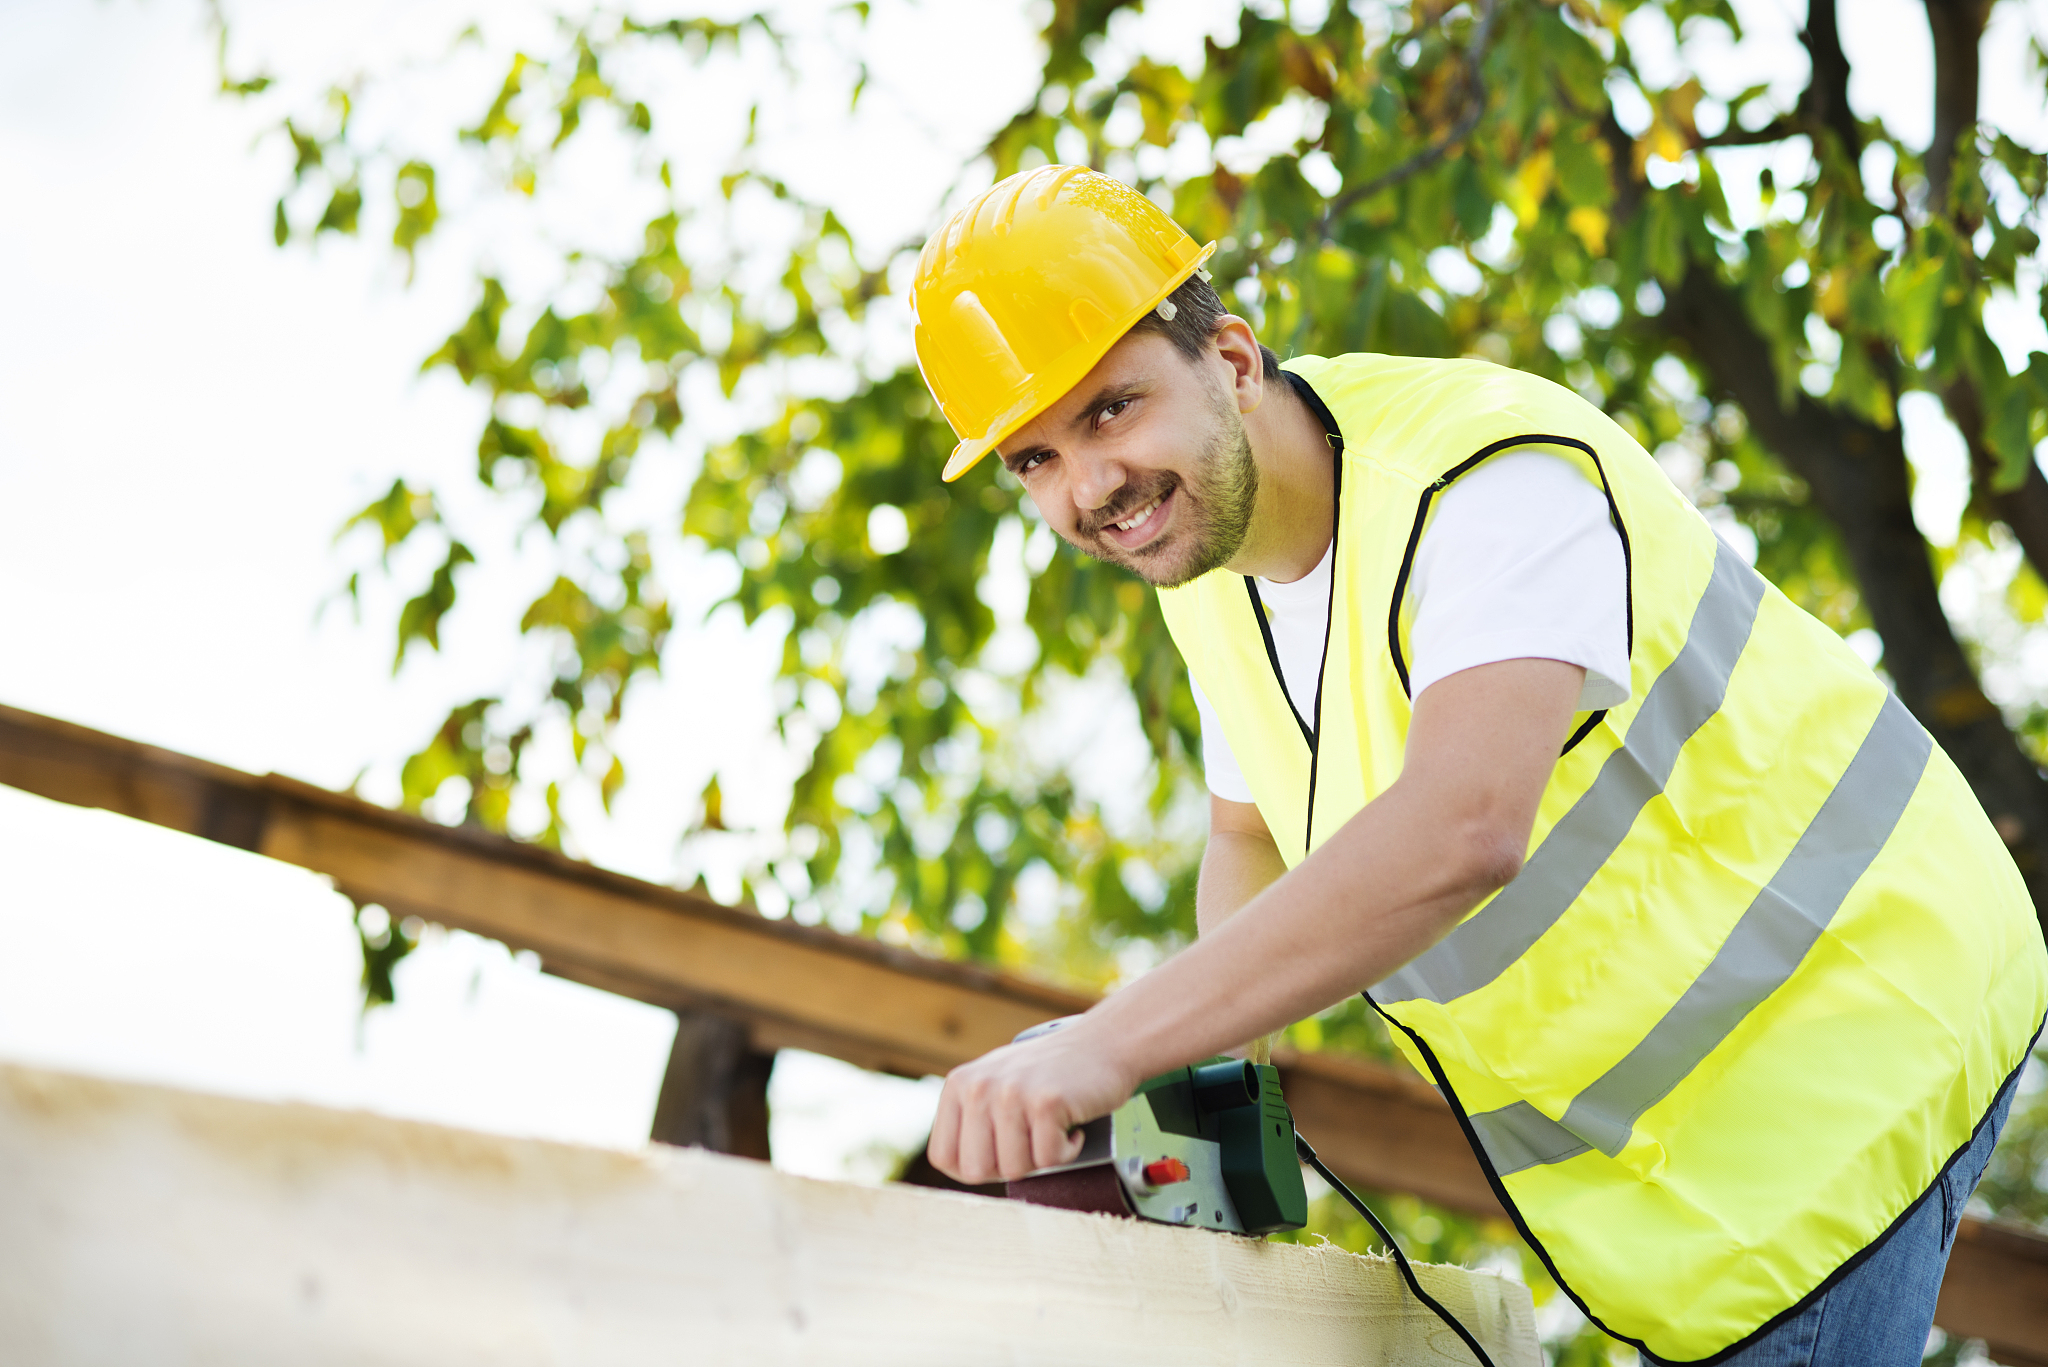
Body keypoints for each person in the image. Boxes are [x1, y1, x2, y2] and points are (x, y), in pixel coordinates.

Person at [907, 164, 2047, 1365]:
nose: (1090, 487)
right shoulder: (1211, 566)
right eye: (1031, 458)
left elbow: (1463, 824)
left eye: (1108, 410)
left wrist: (1113, 1036)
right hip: (1699, 1164)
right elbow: (1243, 833)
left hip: (1860, 1023)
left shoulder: (1483, 478)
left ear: (1232, 362)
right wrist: (1198, 1091)